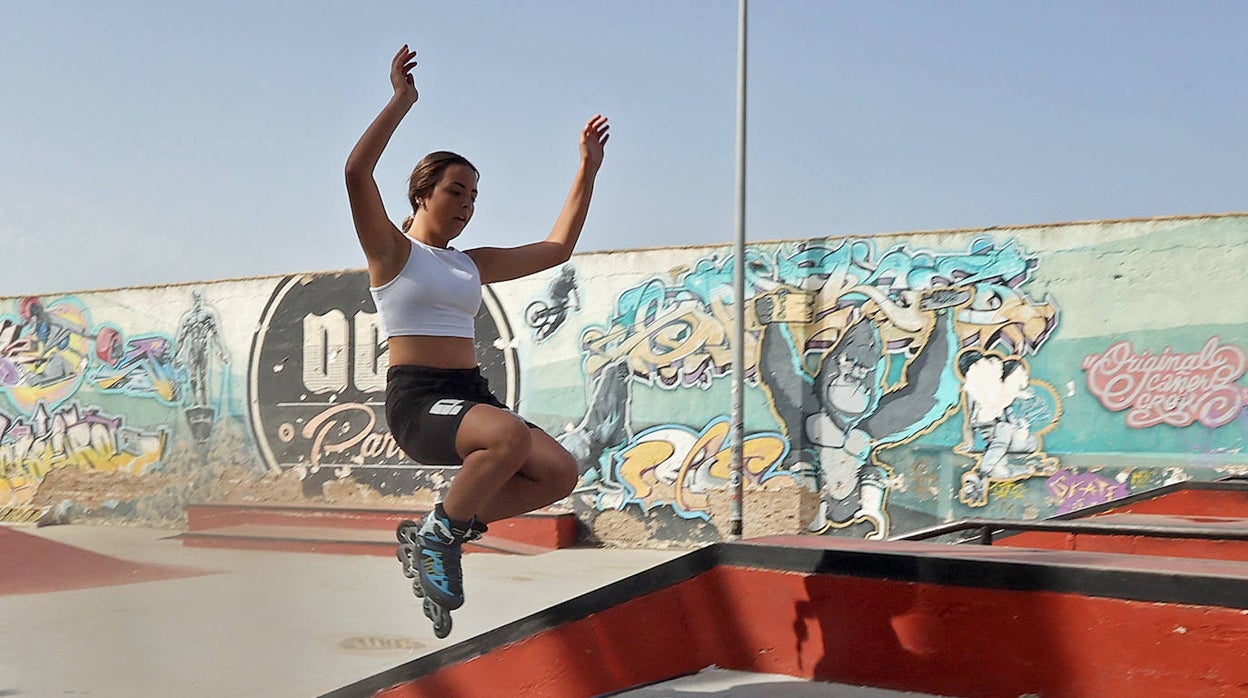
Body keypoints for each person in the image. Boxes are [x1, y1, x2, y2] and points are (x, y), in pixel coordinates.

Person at [344, 45, 609, 620]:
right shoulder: (392, 251)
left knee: (559, 472)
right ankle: (441, 536)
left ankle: (441, 527)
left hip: (469, 396)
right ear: (421, 195)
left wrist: (586, 167)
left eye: (473, 197)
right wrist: (400, 102)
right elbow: (356, 172)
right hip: (418, 401)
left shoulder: (471, 263)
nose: (465, 205)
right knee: (508, 436)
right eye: (454, 191)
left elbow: (557, 247)